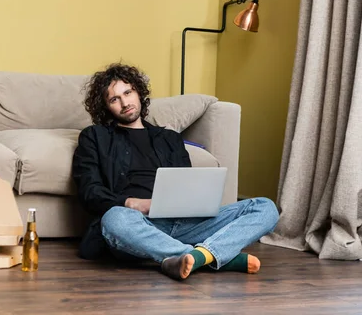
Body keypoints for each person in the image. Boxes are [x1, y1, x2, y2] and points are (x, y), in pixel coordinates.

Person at [72, 63, 279, 281]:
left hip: (183, 223)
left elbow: (186, 184)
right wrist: (133, 203)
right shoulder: (94, 137)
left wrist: (198, 202)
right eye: (114, 99)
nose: (125, 103)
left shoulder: (169, 139)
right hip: (136, 225)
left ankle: (190, 256)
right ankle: (212, 257)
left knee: (265, 207)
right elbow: (89, 191)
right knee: (114, 218)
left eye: (127, 92)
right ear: (106, 107)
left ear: (138, 92)